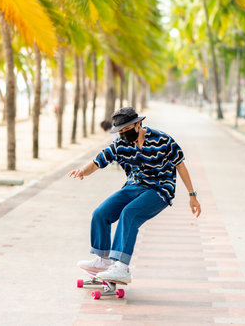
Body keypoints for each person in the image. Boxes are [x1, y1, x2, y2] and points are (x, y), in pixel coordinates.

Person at [68, 106, 201, 283]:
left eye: (127, 129)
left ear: (138, 124)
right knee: (101, 213)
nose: (123, 134)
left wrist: (192, 195)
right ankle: (103, 261)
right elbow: (98, 161)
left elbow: (181, 166)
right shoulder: (121, 144)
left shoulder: (163, 140)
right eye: (120, 131)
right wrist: (82, 171)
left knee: (129, 213)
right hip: (134, 186)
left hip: (159, 189)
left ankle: (122, 267)